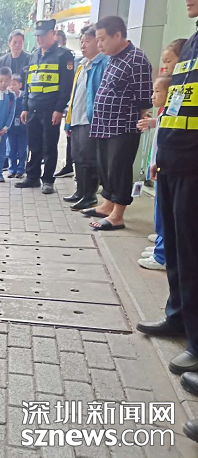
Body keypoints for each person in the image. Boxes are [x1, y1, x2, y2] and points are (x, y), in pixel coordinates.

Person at [137, 3, 198, 444]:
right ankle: (179, 318)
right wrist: (163, 153)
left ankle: (196, 340)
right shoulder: (191, 43)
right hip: (176, 161)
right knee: (175, 250)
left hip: (194, 166)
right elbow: (177, 103)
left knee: (193, 255)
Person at [85, 16, 153, 231]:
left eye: (102, 39)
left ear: (117, 35)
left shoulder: (137, 59)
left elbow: (144, 99)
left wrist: (138, 124)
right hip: (104, 125)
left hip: (123, 127)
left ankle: (118, 215)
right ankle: (107, 204)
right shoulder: (113, 58)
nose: (99, 44)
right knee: (105, 167)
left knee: (119, 168)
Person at [15, 19, 74, 194]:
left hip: (50, 109)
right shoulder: (34, 55)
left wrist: (59, 109)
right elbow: (28, 84)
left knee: (49, 145)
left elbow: (66, 86)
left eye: (42, 35)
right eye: (37, 36)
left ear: (52, 34)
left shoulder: (63, 56)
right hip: (33, 108)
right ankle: (32, 177)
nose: (39, 39)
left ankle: (48, 180)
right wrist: (25, 107)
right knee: (34, 145)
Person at [62, 25, 109, 211]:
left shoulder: (103, 64)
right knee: (77, 157)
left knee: (89, 159)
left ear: (98, 42)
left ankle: (89, 196)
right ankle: (80, 191)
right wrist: (68, 120)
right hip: (77, 118)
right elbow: (75, 94)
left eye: (87, 41)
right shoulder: (81, 65)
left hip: (91, 119)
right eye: (81, 41)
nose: (83, 45)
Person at [135, 76, 171, 271]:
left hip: (166, 165)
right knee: (159, 207)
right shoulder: (164, 112)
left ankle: (162, 254)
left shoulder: (173, 111)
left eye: (157, 91)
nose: (153, 96)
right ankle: (160, 243)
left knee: (165, 210)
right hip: (159, 165)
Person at [53, 29, 75, 179]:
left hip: (65, 102)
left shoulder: (67, 55)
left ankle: (70, 165)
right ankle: (68, 165)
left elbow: (67, 83)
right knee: (69, 136)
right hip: (70, 105)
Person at [7, 74, 28, 178]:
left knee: (22, 150)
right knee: (11, 149)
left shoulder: (24, 96)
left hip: (23, 128)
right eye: (10, 85)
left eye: (14, 84)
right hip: (11, 128)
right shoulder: (7, 97)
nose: (12, 87)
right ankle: (12, 169)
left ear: (20, 85)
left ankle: (21, 169)